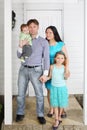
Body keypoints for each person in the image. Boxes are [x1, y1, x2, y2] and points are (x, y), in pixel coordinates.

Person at [16, 19, 50, 124]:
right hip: (23, 69)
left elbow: (46, 59)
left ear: (38, 27)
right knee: (20, 94)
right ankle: (20, 113)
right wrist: (21, 46)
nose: (32, 29)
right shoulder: (24, 38)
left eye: (34, 26)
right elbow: (18, 55)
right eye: (30, 27)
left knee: (39, 94)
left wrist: (45, 74)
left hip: (36, 70)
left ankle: (40, 115)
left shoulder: (43, 42)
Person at [45, 26, 70, 118]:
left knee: (59, 90)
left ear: (54, 33)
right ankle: (51, 109)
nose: (48, 34)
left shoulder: (60, 44)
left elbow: (66, 58)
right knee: (50, 90)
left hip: (59, 70)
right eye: (46, 32)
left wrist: (66, 70)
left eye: (50, 32)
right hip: (49, 69)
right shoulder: (45, 43)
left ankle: (62, 110)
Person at [46, 51, 69, 129]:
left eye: (62, 58)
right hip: (54, 88)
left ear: (64, 59)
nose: (60, 60)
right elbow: (50, 76)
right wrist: (45, 78)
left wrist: (67, 72)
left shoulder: (65, 67)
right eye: (58, 58)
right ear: (55, 58)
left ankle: (59, 116)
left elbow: (66, 77)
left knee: (61, 104)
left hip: (62, 88)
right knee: (55, 104)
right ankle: (56, 120)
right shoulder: (52, 66)